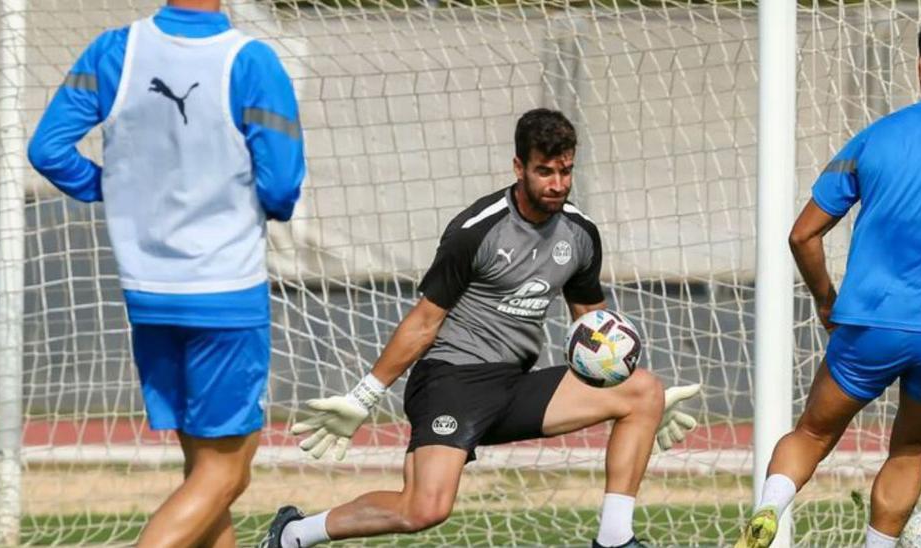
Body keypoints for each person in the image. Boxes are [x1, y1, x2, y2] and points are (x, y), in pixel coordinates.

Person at [260, 108, 701, 548]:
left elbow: (593, 321)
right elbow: (423, 322)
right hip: (452, 379)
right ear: (519, 167)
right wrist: (364, 397)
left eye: (566, 171)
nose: (558, 184)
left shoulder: (580, 232)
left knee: (643, 391)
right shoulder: (476, 231)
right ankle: (294, 534)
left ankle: (614, 538)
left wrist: (630, 385)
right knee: (423, 509)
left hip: (513, 385)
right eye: (544, 171)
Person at [734, 12, 921, 548]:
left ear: (920, 66)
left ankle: (769, 511)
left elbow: (802, 236)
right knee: (909, 448)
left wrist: (825, 300)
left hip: (868, 321)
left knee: (811, 432)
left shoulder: (872, 139)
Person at [26, 1, 305, 545]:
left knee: (204, 471)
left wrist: (111, 188)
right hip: (225, 289)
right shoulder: (251, 60)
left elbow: (48, 149)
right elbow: (280, 186)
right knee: (228, 470)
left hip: (148, 290)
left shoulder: (114, 50)